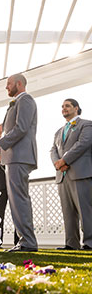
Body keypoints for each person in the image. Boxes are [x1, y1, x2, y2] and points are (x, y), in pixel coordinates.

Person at [0, 73, 38, 252]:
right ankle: (24, 241)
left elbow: (21, 128)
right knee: (17, 201)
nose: (6, 87)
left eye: (8, 84)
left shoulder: (26, 100)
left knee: (19, 200)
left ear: (18, 83)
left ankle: (27, 242)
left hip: (19, 157)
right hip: (12, 158)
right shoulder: (17, 101)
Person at [50, 98, 92, 251]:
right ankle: (71, 243)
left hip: (80, 173)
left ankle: (89, 242)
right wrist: (57, 163)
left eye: (67, 106)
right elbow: (53, 150)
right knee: (67, 211)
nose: (64, 108)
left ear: (76, 108)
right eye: (62, 106)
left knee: (85, 210)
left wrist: (65, 160)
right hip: (62, 176)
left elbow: (83, 144)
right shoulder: (58, 131)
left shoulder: (86, 124)